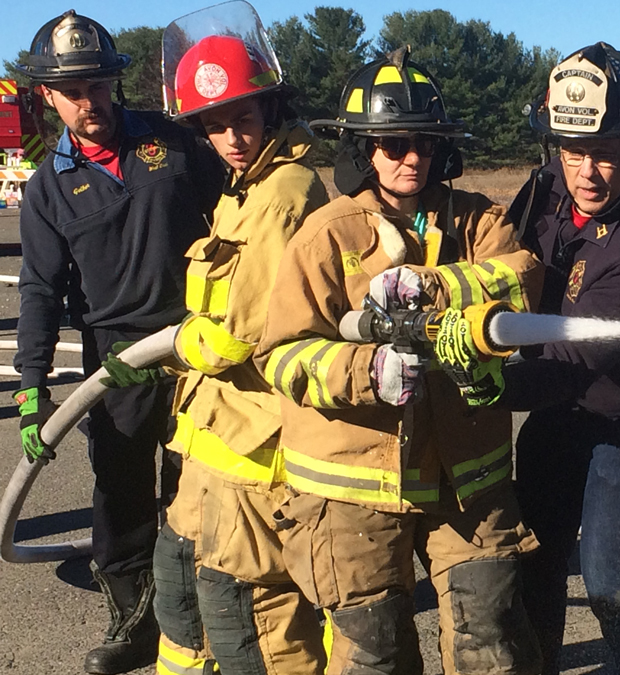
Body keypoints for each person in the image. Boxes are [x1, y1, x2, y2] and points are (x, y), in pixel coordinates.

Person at [254, 47, 543, 675]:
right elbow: (278, 354)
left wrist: (436, 287)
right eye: (393, 144)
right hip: (352, 490)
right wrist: (367, 373)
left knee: (490, 642)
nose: (413, 157)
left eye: (426, 143)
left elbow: (523, 281)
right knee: (374, 656)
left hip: (466, 478)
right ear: (362, 149)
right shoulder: (327, 235)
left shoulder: (477, 221)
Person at [432, 43, 620, 675]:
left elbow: (566, 359)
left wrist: (479, 374)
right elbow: (505, 259)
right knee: (536, 554)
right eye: (573, 151)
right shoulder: (546, 189)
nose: (585, 170)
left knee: (611, 583)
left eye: (606, 153)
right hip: (563, 401)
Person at [102, 6, 330, 674]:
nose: (229, 136)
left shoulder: (285, 193)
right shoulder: (244, 185)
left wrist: (164, 349)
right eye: (213, 124)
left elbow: (239, 334)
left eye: (242, 119)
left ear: (269, 108)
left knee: (247, 616)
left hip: (256, 441)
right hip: (209, 432)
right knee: (177, 587)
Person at [11, 11, 222, 674]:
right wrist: (30, 391)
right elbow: (40, 294)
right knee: (122, 493)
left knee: (205, 484)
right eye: (72, 90)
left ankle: (215, 613)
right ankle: (134, 622)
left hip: (198, 342)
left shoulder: (172, 143)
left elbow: (235, 213)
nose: (88, 100)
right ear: (46, 95)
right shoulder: (47, 191)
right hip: (119, 359)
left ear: (114, 84)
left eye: (98, 85)